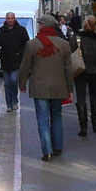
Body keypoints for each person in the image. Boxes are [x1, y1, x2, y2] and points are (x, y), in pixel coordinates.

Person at [19, 14, 74, 162]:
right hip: (59, 86)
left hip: (40, 87)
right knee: (56, 116)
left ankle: (47, 151)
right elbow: (68, 69)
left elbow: (25, 67)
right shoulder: (64, 44)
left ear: (42, 26)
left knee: (43, 119)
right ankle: (58, 147)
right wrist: (70, 89)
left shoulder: (33, 44)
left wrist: (22, 83)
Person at [74, 15, 96, 137]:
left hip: (80, 70)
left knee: (80, 97)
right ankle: (95, 123)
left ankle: (83, 126)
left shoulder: (77, 39)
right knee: (94, 96)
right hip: (95, 71)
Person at [0, 12, 30, 111]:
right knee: (7, 83)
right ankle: (9, 104)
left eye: (12, 18)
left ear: (15, 19)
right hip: (5, 60)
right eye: (8, 18)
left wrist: (20, 53)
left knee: (13, 80)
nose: (10, 20)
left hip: (16, 61)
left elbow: (26, 43)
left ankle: (14, 100)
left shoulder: (21, 30)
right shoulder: (1, 31)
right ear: (6, 19)